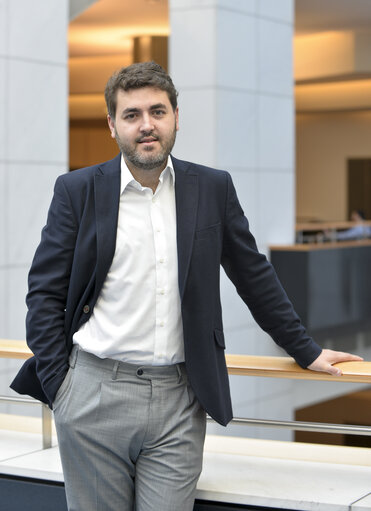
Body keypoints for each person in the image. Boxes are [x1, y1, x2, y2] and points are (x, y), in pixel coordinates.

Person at [11, 62, 362, 511]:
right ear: (112, 125)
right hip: (93, 394)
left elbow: (253, 274)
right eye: (131, 115)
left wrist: (305, 349)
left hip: (180, 399)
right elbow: (44, 292)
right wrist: (62, 387)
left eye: (157, 111)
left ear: (176, 115)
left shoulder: (212, 188)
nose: (146, 125)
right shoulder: (76, 191)